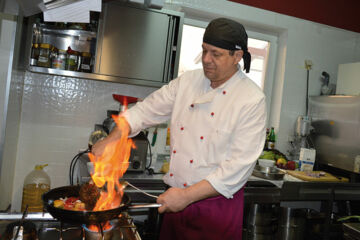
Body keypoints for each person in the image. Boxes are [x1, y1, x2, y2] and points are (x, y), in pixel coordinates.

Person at [92, 17, 266, 240]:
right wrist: (112, 138)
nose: (206, 59)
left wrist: (186, 196)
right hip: (175, 201)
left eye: (216, 54)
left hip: (216, 208)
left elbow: (236, 169)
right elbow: (144, 111)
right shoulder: (188, 82)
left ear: (237, 56)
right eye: (204, 50)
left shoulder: (251, 99)